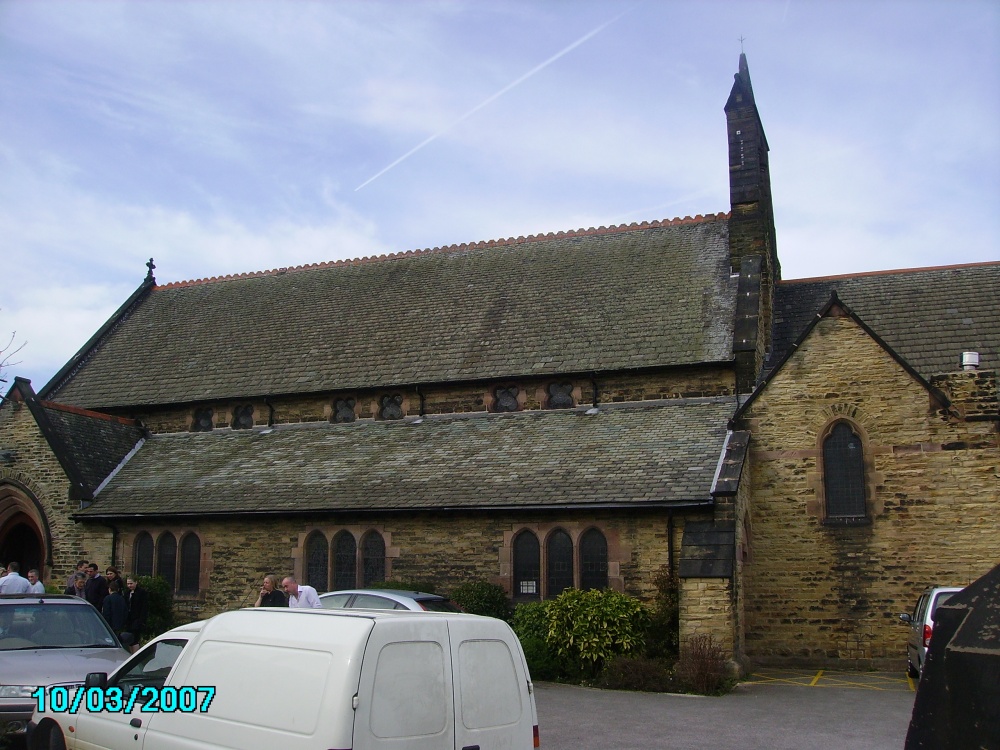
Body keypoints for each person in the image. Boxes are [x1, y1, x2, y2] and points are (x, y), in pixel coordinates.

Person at [124, 576, 149, 653]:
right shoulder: (127, 593)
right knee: (129, 639)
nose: (129, 585)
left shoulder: (142, 593)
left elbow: (144, 607)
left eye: (131, 583)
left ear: (136, 583)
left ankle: (135, 654)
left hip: (137, 619)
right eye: (128, 584)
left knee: (135, 639)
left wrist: (141, 620)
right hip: (129, 620)